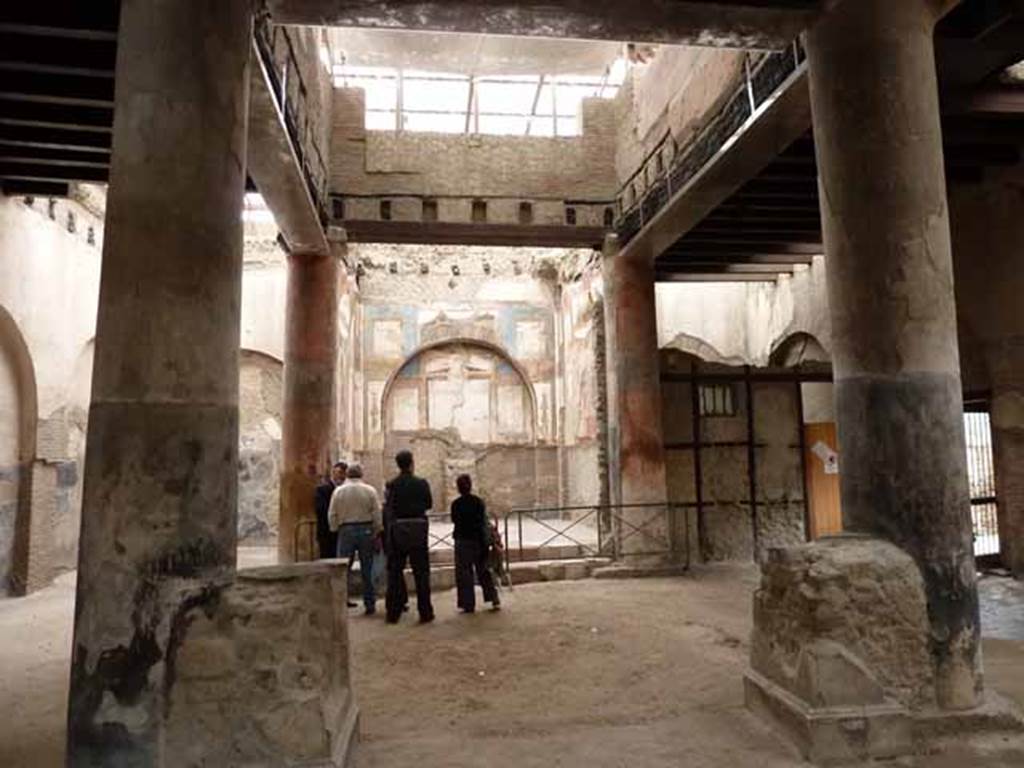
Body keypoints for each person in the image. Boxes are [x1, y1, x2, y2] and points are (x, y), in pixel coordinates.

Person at [384, 450, 435, 624]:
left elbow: (389, 508)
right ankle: (425, 612)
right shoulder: (421, 483)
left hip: (398, 529)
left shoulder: (391, 484)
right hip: (418, 529)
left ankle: (393, 613)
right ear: (412, 463)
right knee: (421, 573)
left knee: (395, 573)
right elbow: (429, 504)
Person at [329, 463, 383, 615]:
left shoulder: (338, 491)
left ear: (347, 475)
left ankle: (340, 602)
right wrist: (377, 530)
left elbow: (332, 513)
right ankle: (369, 603)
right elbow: (376, 513)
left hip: (345, 529)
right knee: (367, 568)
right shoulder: (370, 490)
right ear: (361, 475)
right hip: (365, 529)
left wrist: (335, 529)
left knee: (343, 568)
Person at [450, 474, 500, 613]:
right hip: (478, 540)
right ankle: (493, 598)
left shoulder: (456, 504)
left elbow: (454, 520)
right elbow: (482, 521)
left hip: (462, 540)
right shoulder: (478, 502)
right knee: (484, 571)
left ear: (458, 488)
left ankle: (468, 604)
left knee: (464, 573)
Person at [315, 461, 347, 560]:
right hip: (326, 529)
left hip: (341, 528)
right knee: (327, 556)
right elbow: (321, 509)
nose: (341, 476)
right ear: (333, 473)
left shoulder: (346, 490)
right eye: (339, 472)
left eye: (343, 473)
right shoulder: (322, 489)